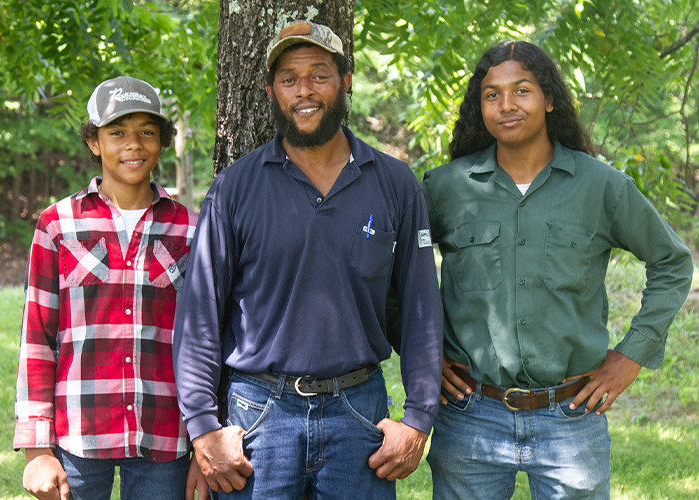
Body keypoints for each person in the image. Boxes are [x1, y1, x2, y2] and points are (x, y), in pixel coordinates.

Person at [173, 20, 443, 500]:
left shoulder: (395, 183)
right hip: (258, 414)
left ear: (345, 82)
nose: (305, 90)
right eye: (289, 78)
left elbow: (421, 304)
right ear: (271, 89)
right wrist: (201, 426)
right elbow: (199, 316)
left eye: (319, 74)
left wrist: (419, 417)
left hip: (359, 413)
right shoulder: (234, 188)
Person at [422, 41, 693, 499]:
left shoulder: (601, 187)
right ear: (480, 107)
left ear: (549, 99)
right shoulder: (446, 188)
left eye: (522, 91)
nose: (506, 105)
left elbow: (672, 262)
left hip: (571, 418)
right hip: (470, 415)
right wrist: (422, 348)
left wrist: (631, 358)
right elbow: (391, 273)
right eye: (492, 95)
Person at [14, 76, 207, 500]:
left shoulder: (191, 229)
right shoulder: (58, 225)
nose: (132, 144)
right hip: (77, 437)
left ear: (162, 142)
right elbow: (37, 338)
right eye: (117, 132)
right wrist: (36, 450)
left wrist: (204, 445)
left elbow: (203, 340)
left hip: (164, 437)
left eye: (146, 132)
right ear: (93, 142)